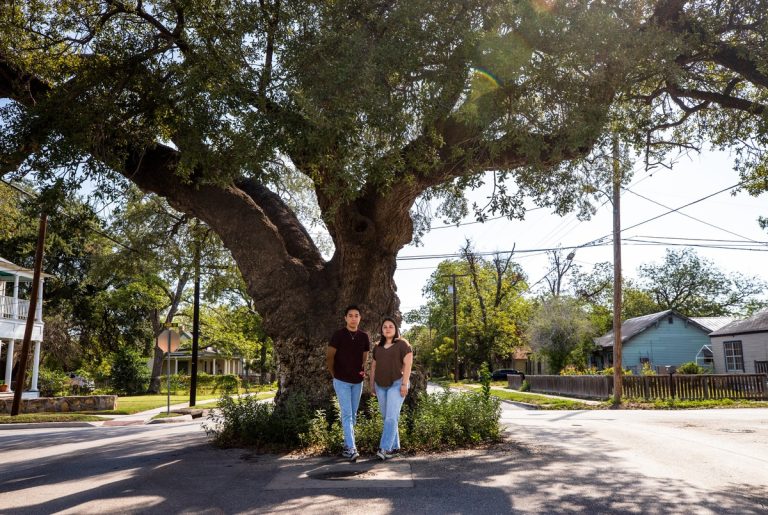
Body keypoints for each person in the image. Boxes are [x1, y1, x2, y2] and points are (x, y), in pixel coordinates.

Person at [326, 305, 370, 462]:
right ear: (345, 318)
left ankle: (346, 447)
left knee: (353, 415)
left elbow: (364, 358)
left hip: (357, 382)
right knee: (347, 414)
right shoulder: (338, 335)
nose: (353, 318)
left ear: (360, 318)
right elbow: (330, 357)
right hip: (341, 381)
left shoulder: (364, 337)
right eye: (350, 315)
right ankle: (352, 448)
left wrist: (360, 371)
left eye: (356, 315)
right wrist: (334, 375)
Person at [370, 316, 413, 461]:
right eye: (385, 327)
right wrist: (372, 385)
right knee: (388, 417)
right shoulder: (377, 347)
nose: (388, 329)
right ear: (381, 330)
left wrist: (404, 384)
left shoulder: (402, 344)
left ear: (396, 329)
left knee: (390, 417)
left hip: (398, 383)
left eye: (391, 326)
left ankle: (385, 448)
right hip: (380, 385)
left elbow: (408, 365)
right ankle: (394, 447)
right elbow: (373, 367)